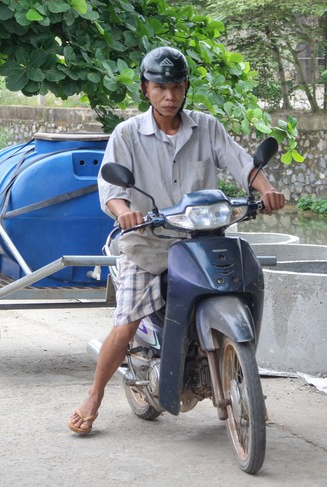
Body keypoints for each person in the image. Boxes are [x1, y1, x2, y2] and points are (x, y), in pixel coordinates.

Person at [68, 46, 285, 435]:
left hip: (203, 242)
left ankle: (243, 385)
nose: (170, 96)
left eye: (177, 87)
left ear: (186, 88)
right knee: (126, 325)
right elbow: (109, 188)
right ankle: (94, 396)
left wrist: (266, 190)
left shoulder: (207, 127)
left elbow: (242, 164)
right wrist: (124, 213)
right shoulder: (127, 134)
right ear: (145, 88)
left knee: (241, 289)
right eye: (160, 87)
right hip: (148, 244)